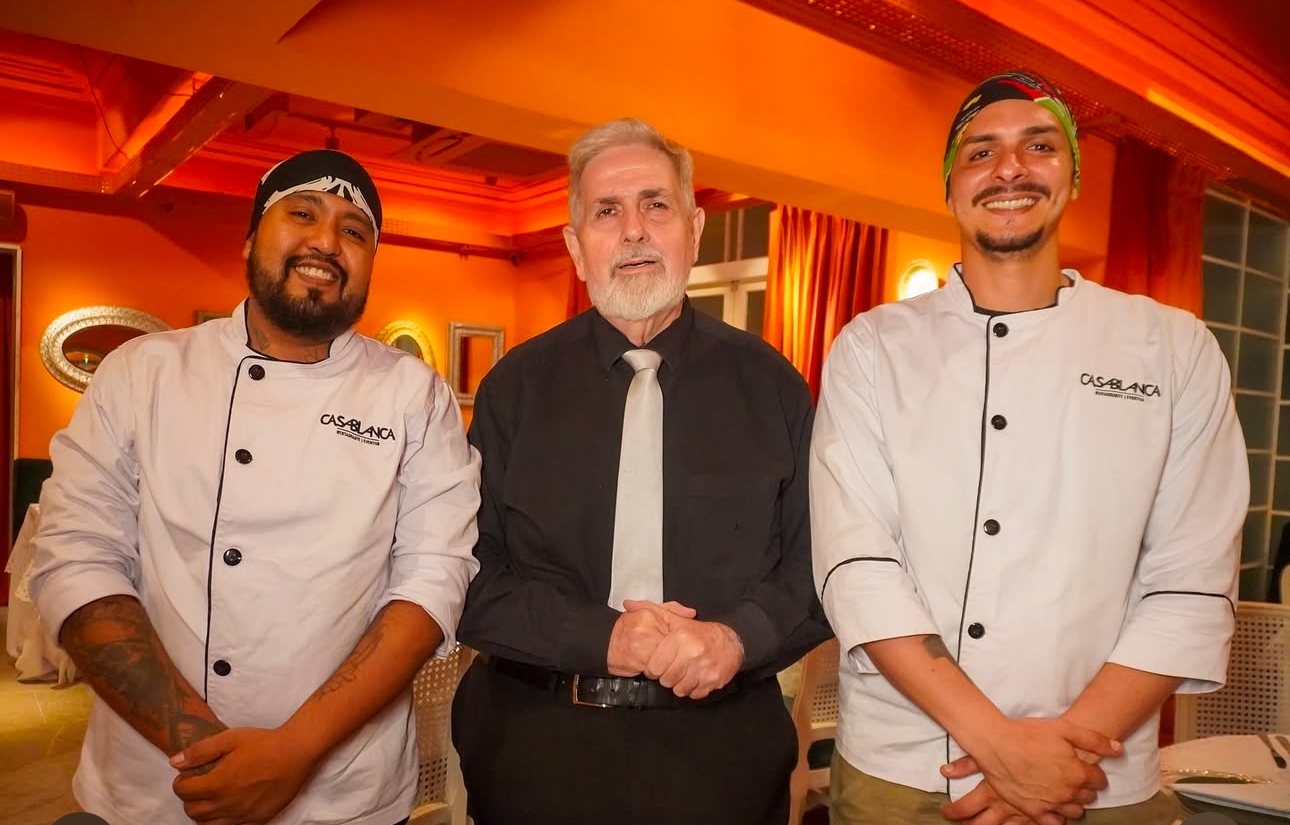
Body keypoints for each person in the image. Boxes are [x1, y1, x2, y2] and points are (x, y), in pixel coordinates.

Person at [811, 71, 1247, 825]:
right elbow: (858, 569)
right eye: (981, 152)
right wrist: (1004, 750)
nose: (1009, 168)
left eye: (1038, 146)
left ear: (1072, 175)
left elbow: (1191, 580)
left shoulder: (1172, 347)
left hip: (1098, 777)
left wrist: (1060, 761)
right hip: (901, 771)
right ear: (950, 185)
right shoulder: (873, 346)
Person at [28, 149, 481, 825]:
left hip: (342, 795)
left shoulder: (414, 394)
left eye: (356, 231)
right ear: (250, 237)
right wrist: (205, 754)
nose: (327, 241)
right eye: (303, 213)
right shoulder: (143, 372)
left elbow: (433, 578)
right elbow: (75, 558)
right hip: (157, 785)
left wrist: (293, 752)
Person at [451, 118, 831, 825]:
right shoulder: (514, 390)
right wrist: (603, 637)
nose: (633, 231)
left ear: (693, 227)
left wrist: (736, 635)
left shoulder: (774, 387)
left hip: (721, 763)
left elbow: (817, 565)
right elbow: (467, 576)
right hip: (532, 756)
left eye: (655, 205)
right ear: (574, 245)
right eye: (606, 211)